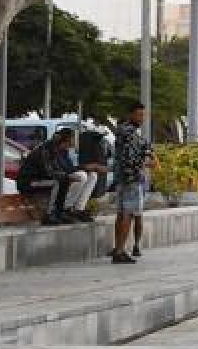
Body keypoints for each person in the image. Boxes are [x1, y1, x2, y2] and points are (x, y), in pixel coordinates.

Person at [111, 102, 155, 263]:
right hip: (132, 178)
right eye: (139, 115)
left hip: (122, 178)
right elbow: (135, 155)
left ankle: (118, 248)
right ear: (130, 115)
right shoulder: (129, 133)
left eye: (143, 115)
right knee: (128, 214)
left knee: (122, 213)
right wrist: (148, 161)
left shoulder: (123, 132)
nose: (141, 118)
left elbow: (142, 148)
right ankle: (120, 251)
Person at [48, 128, 102, 223]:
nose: (75, 141)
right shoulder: (52, 149)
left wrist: (86, 168)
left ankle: (79, 208)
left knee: (92, 175)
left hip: (61, 175)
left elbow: (69, 167)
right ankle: (66, 208)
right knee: (81, 176)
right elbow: (58, 169)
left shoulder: (65, 151)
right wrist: (84, 167)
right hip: (48, 177)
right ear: (67, 139)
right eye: (73, 138)